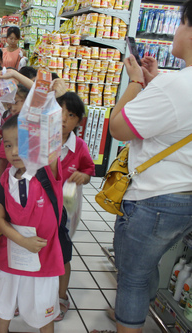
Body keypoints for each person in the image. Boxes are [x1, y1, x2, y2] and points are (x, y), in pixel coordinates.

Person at [91, 2, 192, 332]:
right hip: (183, 197)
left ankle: (128, 320)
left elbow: (118, 128)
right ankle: (129, 315)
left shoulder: (176, 87)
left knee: (131, 277)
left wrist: (135, 83)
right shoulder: (174, 84)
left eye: (180, 23)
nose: (175, 30)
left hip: (153, 199)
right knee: (147, 267)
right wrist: (157, 81)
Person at [0, 114, 63, 333]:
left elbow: (53, 133)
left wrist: (43, 92)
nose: (13, 152)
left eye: (21, 144)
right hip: (10, 255)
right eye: (8, 145)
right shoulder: (6, 178)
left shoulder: (48, 172)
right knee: (4, 304)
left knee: (43, 311)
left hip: (43, 259)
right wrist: (23, 241)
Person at [54, 92, 95, 322]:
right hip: (40, 209)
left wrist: (83, 175)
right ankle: (32, 291)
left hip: (65, 212)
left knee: (63, 255)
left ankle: (61, 296)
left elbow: (90, 170)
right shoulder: (42, 140)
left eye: (70, 115)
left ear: (78, 121)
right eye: (59, 112)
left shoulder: (78, 146)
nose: (63, 119)